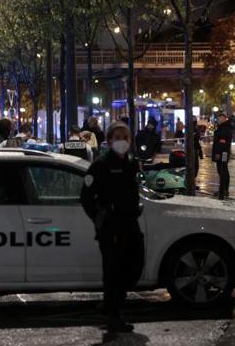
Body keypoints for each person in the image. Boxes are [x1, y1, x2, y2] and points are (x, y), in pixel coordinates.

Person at [80, 121, 144, 333]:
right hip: (111, 227)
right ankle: (113, 315)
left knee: (135, 265)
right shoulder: (101, 165)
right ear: (109, 141)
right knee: (114, 270)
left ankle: (110, 303)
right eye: (117, 137)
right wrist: (100, 219)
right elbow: (86, 197)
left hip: (130, 223)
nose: (122, 142)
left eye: (125, 138)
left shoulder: (131, 163)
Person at [212, 113, 233, 200]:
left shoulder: (224, 129)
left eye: (219, 119)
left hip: (222, 153)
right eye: (218, 119)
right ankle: (222, 190)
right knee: (221, 171)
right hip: (222, 153)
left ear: (224, 119)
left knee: (223, 171)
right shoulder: (221, 128)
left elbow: (221, 143)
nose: (218, 120)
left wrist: (217, 153)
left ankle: (224, 190)